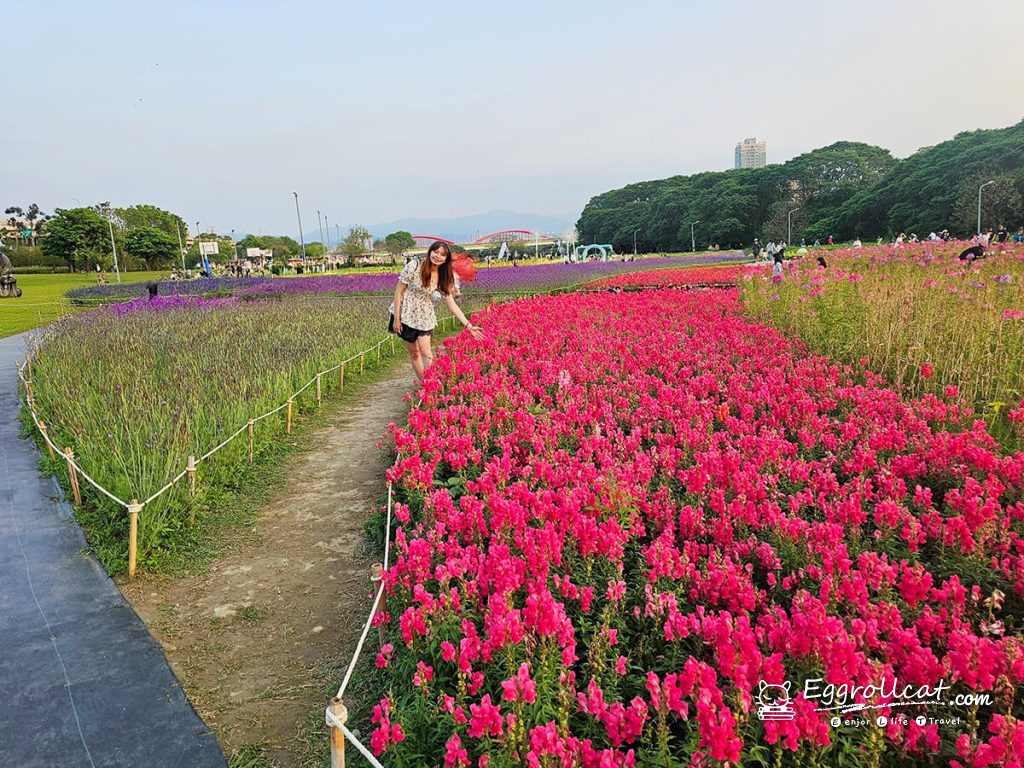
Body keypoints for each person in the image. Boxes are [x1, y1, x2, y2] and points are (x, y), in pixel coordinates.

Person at [390, 241, 483, 384]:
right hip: (405, 313)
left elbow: (451, 304)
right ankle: (425, 385)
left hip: (424, 314)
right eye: (436, 252)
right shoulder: (414, 266)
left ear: (446, 259)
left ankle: (433, 385)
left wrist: (469, 326)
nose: (438, 256)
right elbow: (398, 292)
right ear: (430, 252)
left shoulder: (442, 276)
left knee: (426, 352)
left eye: (442, 255)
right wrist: (397, 318)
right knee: (414, 353)